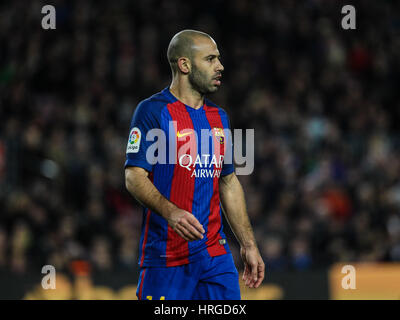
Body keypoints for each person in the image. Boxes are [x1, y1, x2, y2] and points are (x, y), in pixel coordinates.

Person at [124, 29, 265, 300]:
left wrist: (248, 244)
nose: (220, 66)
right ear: (185, 65)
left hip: (215, 256)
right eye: (211, 59)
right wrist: (171, 212)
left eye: (219, 59)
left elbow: (228, 181)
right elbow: (134, 176)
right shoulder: (152, 111)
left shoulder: (218, 117)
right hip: (167, 257)